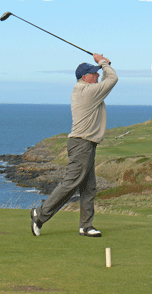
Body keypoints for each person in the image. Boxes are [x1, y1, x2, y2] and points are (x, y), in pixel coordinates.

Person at [31, 53, 118, 237]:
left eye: (96, 73)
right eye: (93, 73)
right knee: (70, 183)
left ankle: (86, 226)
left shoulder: (84, 89)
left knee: (88, 187)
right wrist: (102, 62)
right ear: (85, 77)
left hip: (85, 144)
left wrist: (102, 65)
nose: (96, 75)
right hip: (82, 144)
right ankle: (41, 213)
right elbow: (112, 78)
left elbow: (105, 80)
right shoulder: (89, 92)